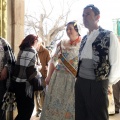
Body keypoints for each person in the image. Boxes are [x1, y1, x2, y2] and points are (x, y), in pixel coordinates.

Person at [75, 4, 120, 120]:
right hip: (80, 83)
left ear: (97, 17)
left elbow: (116, 62)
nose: (84, 17)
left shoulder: (109, 35)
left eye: (88, 14)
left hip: (98, 84)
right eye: (83, 15)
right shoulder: (84, 38)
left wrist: (105, 83)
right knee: (81, 114)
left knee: (98, 116)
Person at [40, 21, 81, 120]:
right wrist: (49, 76)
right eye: (67, 29)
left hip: (73, 80)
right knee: (55, 104)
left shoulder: (83, 43)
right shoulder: (61, 43)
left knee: (70, 105)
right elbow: (53, 61)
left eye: (70, 28)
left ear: (77, 30)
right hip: (58, 79)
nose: (68, 31)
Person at [12, 34, 42, 120]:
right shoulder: (33, 51)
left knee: (21, 110)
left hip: (17, 84)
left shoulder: (21, 50)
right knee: (28, 110)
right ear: (34, 41)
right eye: (38, 42)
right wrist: (39, 67)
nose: (38, 44)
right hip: (26, 86)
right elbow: (31, 70)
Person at [0, 37, 15, 120]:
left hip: (1, 80)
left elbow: (11, 58)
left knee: (1, 107)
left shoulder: (3, 42)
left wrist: (6, 68)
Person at [34, 39, 50, 117]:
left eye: (37, 43)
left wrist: (47, 70)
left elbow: (50, 63)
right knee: (36, 93)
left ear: (39, 43)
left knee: (43, 94)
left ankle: (43, 110)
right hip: (35, 76)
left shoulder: (46, 51)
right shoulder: (33, 50)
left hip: (43, 76)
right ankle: (38, 110)